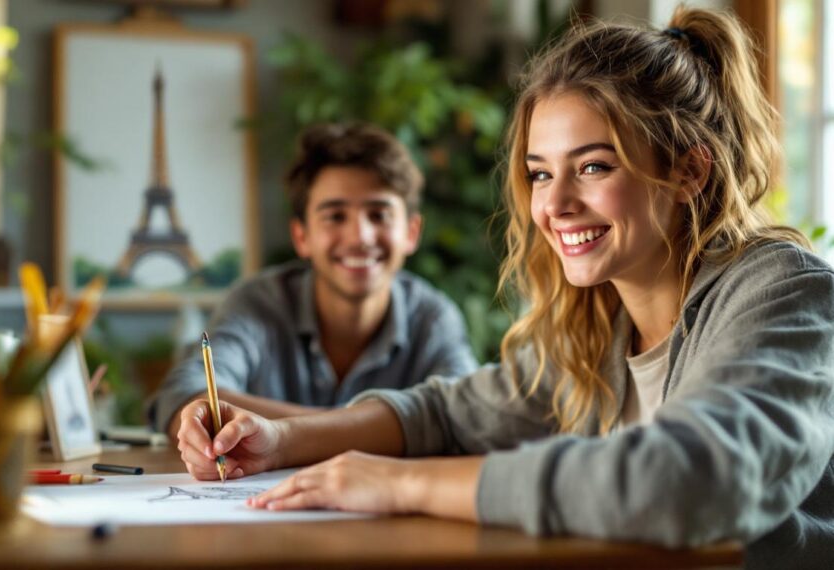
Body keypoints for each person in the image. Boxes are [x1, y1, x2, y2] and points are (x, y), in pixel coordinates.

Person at [174, 7, 834, 569]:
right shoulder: (597, 321)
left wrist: (404, 485)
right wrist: (281, 441)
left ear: (688, 171)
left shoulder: (781, 292)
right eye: (540, 174)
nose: (556, 205)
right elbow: (447, 413)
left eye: (594, 166)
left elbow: (688, 481)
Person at [150, 122, 478, 436]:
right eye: (335, 216)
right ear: (301, 236)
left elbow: (466, 417)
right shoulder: (256, 303)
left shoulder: (433, 317)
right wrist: (374, 429)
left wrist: (294, 433)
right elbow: (184, 397)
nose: (360, 237)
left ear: (411, 232)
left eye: (379, 215)